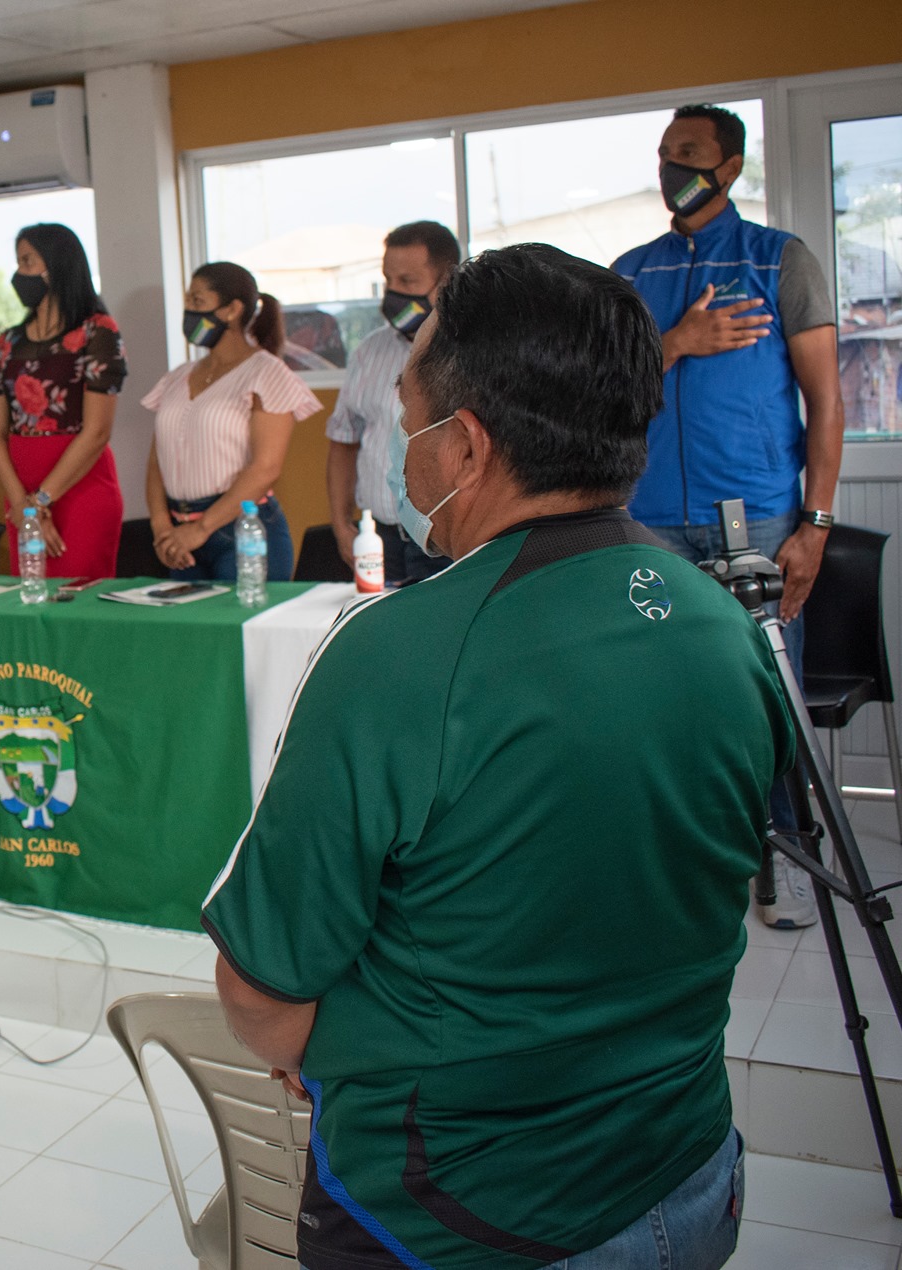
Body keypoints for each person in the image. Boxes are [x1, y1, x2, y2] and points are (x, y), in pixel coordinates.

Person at [203, 244, 789, 1270]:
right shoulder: (722, 625)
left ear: (466, 445)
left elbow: (261, 988)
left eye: (408, 415)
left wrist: (332, 1052)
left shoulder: (400, 656)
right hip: (687, 1171)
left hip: (460, 1211)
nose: (401, 447)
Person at [612, 103, 843, 927]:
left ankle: (790, 856)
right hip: (648, 522)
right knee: (661, 697)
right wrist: (676, 342)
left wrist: (815, 525)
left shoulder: (779, 259)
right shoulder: (630, 273)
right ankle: (685, 860)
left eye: (690, 151)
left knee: (767, 697)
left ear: (732, 166)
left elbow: (826, 402)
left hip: (758, 518)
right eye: (665, 151)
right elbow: (605, 388)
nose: (672, 166)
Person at [142, 262, 320, 582]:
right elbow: (157, 460)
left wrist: (201, 528)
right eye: (187, 301)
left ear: (232, 310)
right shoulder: (177, 377)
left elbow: (265, 468)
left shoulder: (266, 373)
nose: (188, 310)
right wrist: (161, 527)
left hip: (242, 531)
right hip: (180, 537)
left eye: (197, 301)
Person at [0, 223, 127, 579]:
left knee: (77, 596)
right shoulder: (8, 342)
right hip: (21, 492)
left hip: (79, 488)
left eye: (28, 261)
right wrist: (23, 505)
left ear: (58, 264)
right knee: (31, 595)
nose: (19, 273)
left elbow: (97, 431)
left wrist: (41, 501)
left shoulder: (98, 331)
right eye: (18, 262)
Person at [325, 220, 462, 583]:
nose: (394, 293)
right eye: (388, 281)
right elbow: (343, 440)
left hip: (443, 545)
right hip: (377, 540)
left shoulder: (471, 351)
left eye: (408, 281)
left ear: (446, 281)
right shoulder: (369, 351)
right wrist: (340, 524)